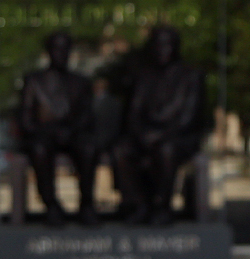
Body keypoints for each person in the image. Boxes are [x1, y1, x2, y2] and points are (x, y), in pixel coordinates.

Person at [112, 25, 204, 225]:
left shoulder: (190, 77)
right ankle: (138, 205)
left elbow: (188, 118)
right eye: (158, 45)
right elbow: (133, 113)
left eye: (167, 45)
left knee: (166, 150)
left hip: (177, 137)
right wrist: (140, 134)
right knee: (122, 150)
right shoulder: (144, 77)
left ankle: (162, 206)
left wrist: (160, 135)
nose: (162, 50)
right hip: (145, 135)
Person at [17, 30, 100, 226]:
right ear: (49, 52)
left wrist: (71, 131)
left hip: (73, 134)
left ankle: (87, 204)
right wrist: (50, 132)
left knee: (89, 149)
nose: (61, 54)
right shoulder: (34, 81)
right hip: (44, 136)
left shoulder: (81, 82)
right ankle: (51, 204)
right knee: (39, 150)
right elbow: (26, 119)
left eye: (65, 49)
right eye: (56, 49)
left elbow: (87, 116)